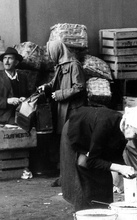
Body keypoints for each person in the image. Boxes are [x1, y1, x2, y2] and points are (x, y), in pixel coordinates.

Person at [60, 98, 137, 210]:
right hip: (77, 130)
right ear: (128, 126)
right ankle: (84, 211)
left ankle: (103, 209)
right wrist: (120, 168)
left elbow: (115, 155)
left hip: (93, 132)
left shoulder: (124, 130)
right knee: (83, 168)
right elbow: (91, 161)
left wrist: (125, 169)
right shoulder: (105, 125)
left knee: (104, 178)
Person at [38, 40, 86, 186]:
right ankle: (65, 176)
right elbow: (54, 84)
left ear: (58, 51)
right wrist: (45, 87)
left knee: (73, 143)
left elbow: (79, 87)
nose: (50, 55)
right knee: (64, 144)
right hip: (62, 111)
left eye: (51, 51)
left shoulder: (74, 65)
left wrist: (60, 94)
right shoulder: (60, 65)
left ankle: (75, 177)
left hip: (73, 111)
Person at [0, 47, 29, 125]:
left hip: (20, 114)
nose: (6, 61)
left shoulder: (22, 77)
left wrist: (25, 99)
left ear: (16, 62)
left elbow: (28, 94)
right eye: (5, 58)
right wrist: (7, 100)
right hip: (4, 116)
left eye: (10, 58)